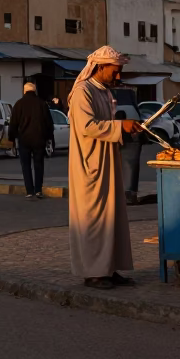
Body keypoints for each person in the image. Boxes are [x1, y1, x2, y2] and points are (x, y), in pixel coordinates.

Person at [67, 45, 141, 290]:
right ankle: (94, 272)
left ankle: (109, 267)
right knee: (94, 220)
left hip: (107, 160)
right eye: (115, 71)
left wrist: (126, 127)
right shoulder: (82, 92)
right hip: (90, 165)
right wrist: (121, 126)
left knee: (112, 217)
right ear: (100, 67)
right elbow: (88, 126)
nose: (118, 76)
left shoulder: (104, 92)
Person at [9, 82, 55, 199]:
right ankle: (38, 190)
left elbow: (13, 123)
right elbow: (49, 123)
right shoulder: (42, 104)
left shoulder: (19, 104)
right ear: (35, 91)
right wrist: (49, 137)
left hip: (24, 139)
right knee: (38, 164)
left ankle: (29, 190)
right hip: (39, 139)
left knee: (26, 165)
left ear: (24, 91)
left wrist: (11, 139)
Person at [118, 109, 144, 205]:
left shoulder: (119, 130)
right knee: (131, 172)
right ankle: (131, 194)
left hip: (126, 150)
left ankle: (128, 194)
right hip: (132, 151)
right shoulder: (130, 128)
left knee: (127, 172)